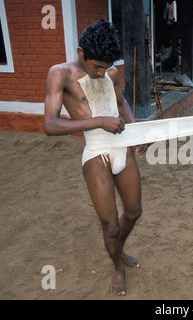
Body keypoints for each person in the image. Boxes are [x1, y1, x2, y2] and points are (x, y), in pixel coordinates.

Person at [44, 19, 147, 296]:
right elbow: (50, 125)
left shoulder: (110, 73)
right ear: (81, 53)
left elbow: (122, 102)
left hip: (121, 144)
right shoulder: (60, 74)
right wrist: (100, 120)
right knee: (110, 227)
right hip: (95, 152)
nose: (103, 73)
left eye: (107, 66)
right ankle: (117, 265)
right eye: (96, 67)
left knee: (134, 211)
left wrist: (137, 130)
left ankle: (118, 249)